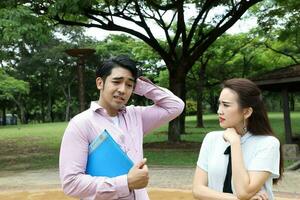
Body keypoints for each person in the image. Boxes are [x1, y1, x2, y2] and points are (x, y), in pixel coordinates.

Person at [59, 55, 184, 200]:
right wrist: (126, 182)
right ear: (100, 83)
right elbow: (71, 183)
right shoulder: (81, 124)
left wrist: (139, 85)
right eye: (116, 82)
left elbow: (175, 106)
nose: (123, 90)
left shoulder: (136, 116)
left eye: (129, 85)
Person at [192, 78, 283, 200]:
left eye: (226, 105)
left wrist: (235, 142)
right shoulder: (211, 139)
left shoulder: (267, 144)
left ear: (246, 112)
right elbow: (198, 190)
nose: (219, 111)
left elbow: (243, 192)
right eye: (219, 103)